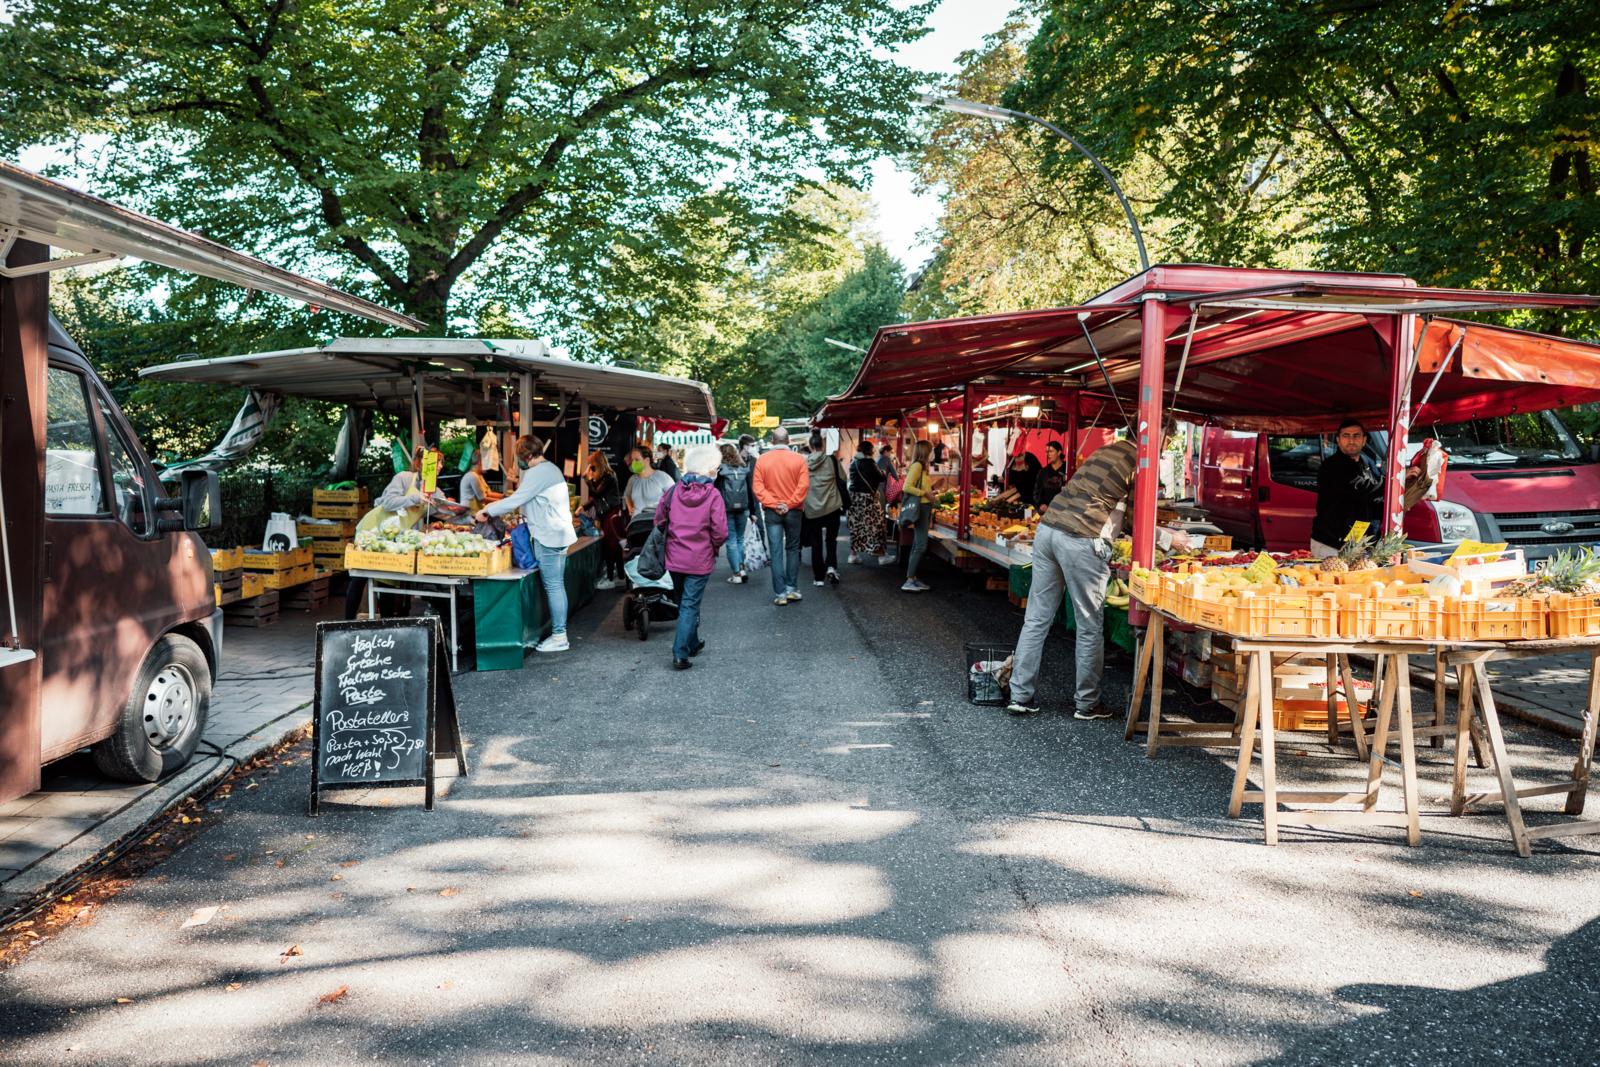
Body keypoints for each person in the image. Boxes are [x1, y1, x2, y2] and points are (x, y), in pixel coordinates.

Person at [1007, 421, 1192, 720]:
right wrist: (1171, 539)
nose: (1165, 446)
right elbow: (1137, 519)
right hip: (1082, 538)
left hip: (1048, 530)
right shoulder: (1141, 462)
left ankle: (1019, 695)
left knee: (1037, 618)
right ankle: (1087, 704)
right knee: (1089, 625)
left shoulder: (1106, 450)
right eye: (1167, 439)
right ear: (1159, 435)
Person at [343, 445, 462, 620]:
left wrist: (461, 513)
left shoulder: (434, 490)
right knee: (360, 576)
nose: (439, 466)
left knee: (388, 580)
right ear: (420, 463)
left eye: (441, 463)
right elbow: (388, 502)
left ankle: (387, 626)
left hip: (395, 539)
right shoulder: (404, 478)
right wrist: (414, 498)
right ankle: (346, 624)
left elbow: (445, 512)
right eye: (435, 462)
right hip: (373, 530)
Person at [483, 435, 577, 654]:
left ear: (526, 455)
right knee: (557, 585)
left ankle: (560, 636)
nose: (518, 462)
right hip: (559, 534)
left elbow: (517, 500)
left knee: (553, 586)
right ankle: (558, 632)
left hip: (549, 535)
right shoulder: (550, 468)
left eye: (519, 457)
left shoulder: (537, 472)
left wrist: (487, 510)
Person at [656, 444, 728, 670]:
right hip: (700, 559)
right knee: (689, 604)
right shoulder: (713, 495)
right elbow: (720, 532)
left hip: (675, 557)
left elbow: (659, 520)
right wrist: (713, 547)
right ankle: (680, 653)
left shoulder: (673, 490)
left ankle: (693, 642)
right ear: (709, 468)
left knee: (684, 602)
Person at [1311, 418, 1385, 558]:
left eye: (1356, 436)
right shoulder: (1332, 466)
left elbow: (1377, 495)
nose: (1351, 440)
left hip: (1360, 544)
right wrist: (1394, 482)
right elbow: (1362, 490)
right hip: (1332, 544)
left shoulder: (1368, 462)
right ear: (1338, 440)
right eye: (1346, 436)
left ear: (1364, 440)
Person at [753, 426, 809, 605]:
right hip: (794, 511)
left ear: (771, 441)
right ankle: (792, 588)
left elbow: (757, 487)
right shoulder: (799, 459)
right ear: (789, 441)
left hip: (772, 512)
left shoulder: (762, 460)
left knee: (776, 552)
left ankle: (780, 594)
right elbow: (804, 486)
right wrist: (790, 503)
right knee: (792, 549)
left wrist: (774, 503)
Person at [803, 431, 848, 587]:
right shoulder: (832, 460)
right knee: (831, 540)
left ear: (810, 446)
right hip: (832, 507)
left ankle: (818, 578)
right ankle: (831, 567)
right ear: (822, 445)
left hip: (812, 509)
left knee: (816, 543)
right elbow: (843, 479)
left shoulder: (804, 463)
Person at [584, 452, 625, 590]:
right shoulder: (604, 476)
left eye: (591, 464)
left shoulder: (608, 476)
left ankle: (612, 578)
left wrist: (587, 479)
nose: (590, 467)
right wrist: (583, 507)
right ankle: (619, 576)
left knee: (611, 546)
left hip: (611, 514)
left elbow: (596, 494)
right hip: (607, 513)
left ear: (597, 463)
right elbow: (596, 498)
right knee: (613, 546)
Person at [715, 443, 755, 583]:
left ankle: (737, 574)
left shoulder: (721, 471)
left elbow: (715, 491)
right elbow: (750, 491)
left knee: (731, 541)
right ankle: (741, 567)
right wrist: (753, 512)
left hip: (726, 509)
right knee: (740, 539)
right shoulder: (744, 469)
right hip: (743, 509)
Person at [846, 438, 889, 565]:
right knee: (877, 525)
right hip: (868, 499)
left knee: (857, 526)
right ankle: (881, 556)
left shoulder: (854, 462)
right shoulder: (870, 463)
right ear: (870, 451)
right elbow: (881, 477)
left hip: (854, 498)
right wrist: (883, 472)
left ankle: (853, 555)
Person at [900, 440, 936, 593]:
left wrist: (932, 491)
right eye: (931, 449)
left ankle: (913, 577)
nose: (933, 452)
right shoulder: (917, 466)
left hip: (925, 507)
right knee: (921, 545)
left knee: (917, 544)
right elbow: (906, 487)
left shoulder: (922, 467)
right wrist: (925, 493)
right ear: (925, 452)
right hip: (920, 507)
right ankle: (909, 580)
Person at [623, 446, 675, 527]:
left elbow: (675, 498)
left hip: (656, 525)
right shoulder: (632, 479)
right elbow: (627, 495)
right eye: (632, 460)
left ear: (647, 460)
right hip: (636, 524)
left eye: (637, 460)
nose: (633, 463)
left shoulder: (662, 477)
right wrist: (630, 508)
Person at [1034, 440, 1068, 510]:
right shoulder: (1043, 472)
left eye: (1051, 451)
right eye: (1047, 452)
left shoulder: (1068, 469)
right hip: (1047, 511)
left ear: (1059, 452)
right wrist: (1041, 504)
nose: (1048, 454)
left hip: (1064, 510)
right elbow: (1036, 493)